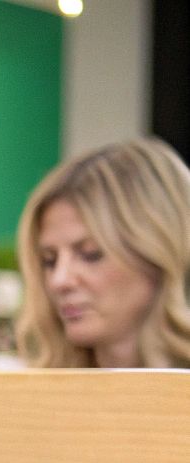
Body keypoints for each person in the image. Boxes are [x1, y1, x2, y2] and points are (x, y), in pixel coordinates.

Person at [14, 138, 190, 368]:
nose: (59, 280)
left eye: (90, 254)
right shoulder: (27, 394)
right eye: (49, 261)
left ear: (160, 253)